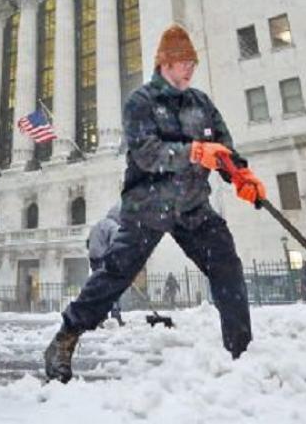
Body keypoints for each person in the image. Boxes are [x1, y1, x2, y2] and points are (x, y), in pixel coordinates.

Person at [44, 24, 266, 383]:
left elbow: (223, 149)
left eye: (193, 61)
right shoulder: (141, 102)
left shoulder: (201, 103)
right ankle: (65, 337)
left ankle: (241, 350)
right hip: (148, 205)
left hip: (193, 206)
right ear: (164, 63)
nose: (190, 68)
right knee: (116, 273)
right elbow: (147, 154)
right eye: (182, 61)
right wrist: (195, 152)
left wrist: (241, 175)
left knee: (227, 267)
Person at [86, 204, 125, 326]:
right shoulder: (113, 226)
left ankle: (101, 317)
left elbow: (88, 243)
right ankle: (115, 314)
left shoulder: (97, 225)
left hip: (94, 261)